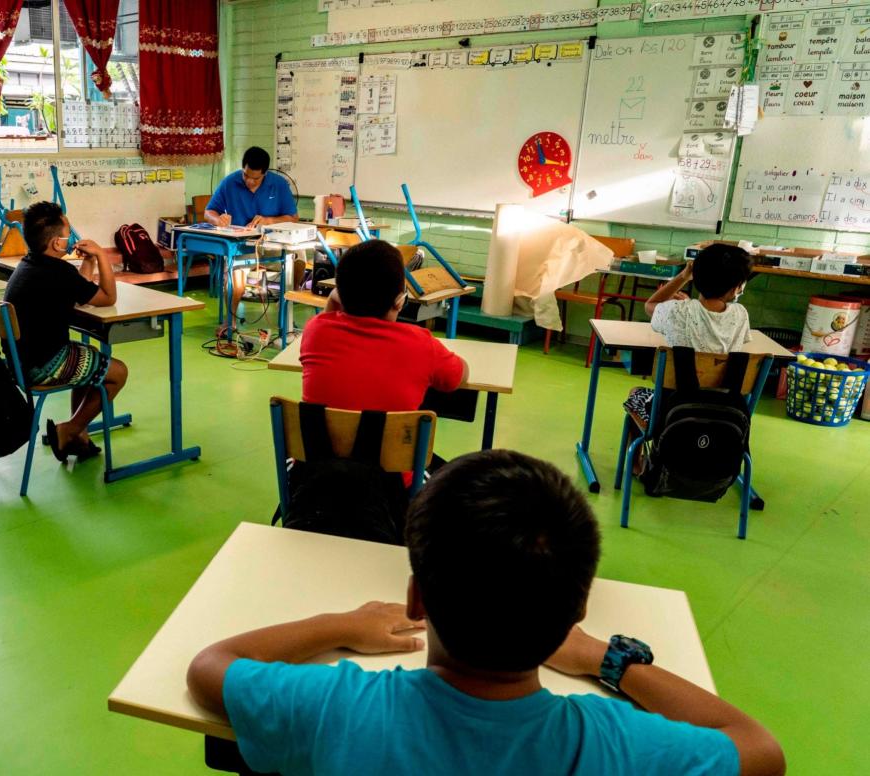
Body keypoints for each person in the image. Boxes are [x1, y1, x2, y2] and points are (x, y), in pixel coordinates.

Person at [187, 450, 785, 776]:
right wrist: (609, 660)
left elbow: (211, 667)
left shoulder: (340, 707)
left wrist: (343, 625)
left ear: (417, 598)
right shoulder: (617, 746)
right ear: (576, 609)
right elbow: (762, 750)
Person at [2, 201, 128, 462]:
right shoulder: (57, 271)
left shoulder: (30, 266)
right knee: (118, 373)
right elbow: (108, 297)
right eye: (67, 234)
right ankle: (69, 429)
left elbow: (78, 293)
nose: (71, 238)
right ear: (57, 244)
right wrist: (103, 256)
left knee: (85, 357)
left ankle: (78, 433)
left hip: (19, 363)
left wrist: (90, 262)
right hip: (44, 365)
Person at [301, 239, 466, 412]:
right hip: (390, 440)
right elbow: (459, 376)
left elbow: (325, 320)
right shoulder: (422, 345)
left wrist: (335, 298)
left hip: (318, 439)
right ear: (400, 302)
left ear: (340, 292)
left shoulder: (315, 331)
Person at [623, 243, 754, 426]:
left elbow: (649, 306)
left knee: (636, 393)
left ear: (697, 277)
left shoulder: (676, 311)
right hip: (723, 413)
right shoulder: (741, 315)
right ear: (736, 288)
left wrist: (684, 276)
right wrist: (690, 305)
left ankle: (643, 453)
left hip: (673, 411)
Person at [204, 147, 301, 323]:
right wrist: (218, 220)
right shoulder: (230, 182)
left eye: (255, 178)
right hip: (242, 244)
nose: (249, 181)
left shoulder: (279, 184)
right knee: (235, 280)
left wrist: (269, 220)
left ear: (265, 173)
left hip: (272, 242)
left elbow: (293, 218)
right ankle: (230, 321)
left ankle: (285, 302)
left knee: (299, 259)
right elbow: (209, 212)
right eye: (245, 175)